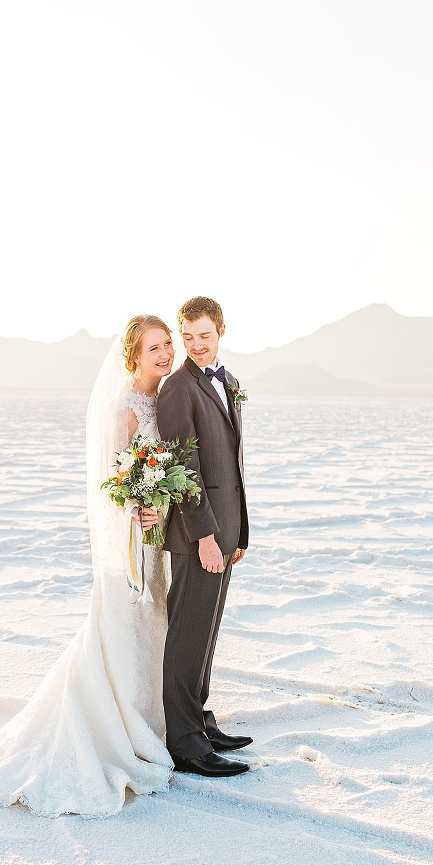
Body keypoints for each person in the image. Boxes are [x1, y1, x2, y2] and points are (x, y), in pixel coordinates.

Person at [0, 316, 176, 817]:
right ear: (134, 356)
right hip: (136, 538)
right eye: (154, 347)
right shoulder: (125, 410)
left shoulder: (166, 398)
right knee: (125, 627)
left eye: (168, 344)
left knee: (155, 626)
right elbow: (118, 484)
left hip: (159, 538)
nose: (164, 354)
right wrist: (145, 506)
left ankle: (156, 719)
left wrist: (166, 502)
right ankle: (117, 727)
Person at [156, 296, 252, 777]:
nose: (195, 345)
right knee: (188, 633)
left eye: (204, 336)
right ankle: (184, 742)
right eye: (187, 337)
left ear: (220, 331)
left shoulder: (228, 382)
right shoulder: (177, 388)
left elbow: (230, 466)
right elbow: (183, 468)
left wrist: (236, 533)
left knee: (208, 630)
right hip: (199, 533)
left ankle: (200, 720)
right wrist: (206, 537)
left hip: (225, 528)